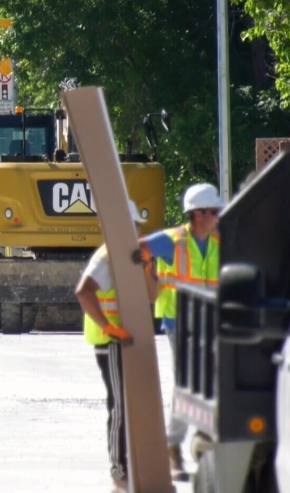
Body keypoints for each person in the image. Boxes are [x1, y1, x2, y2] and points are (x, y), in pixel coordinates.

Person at [140, 182, 223, 481]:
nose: (218, 216)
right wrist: (150, 279)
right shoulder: (172, 241)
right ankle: (172, 446)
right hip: (179, 321)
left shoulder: (218, 242)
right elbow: (138, 251)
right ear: (198, 214)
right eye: (214, 211)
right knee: (189, 383)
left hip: (210, 321)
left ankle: (202, 439)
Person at [74, 199, 156, 487]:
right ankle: (119, 470)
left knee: (131, 405)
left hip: (127, 340)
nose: (136, 231)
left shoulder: (130, 256)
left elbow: (152, 296)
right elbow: (84, 293)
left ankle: (128, 464)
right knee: (120, 405)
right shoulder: (106, 257)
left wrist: (146, 268)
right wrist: (109, 327)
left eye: (137, 227)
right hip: (110, 342)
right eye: (132, 227)